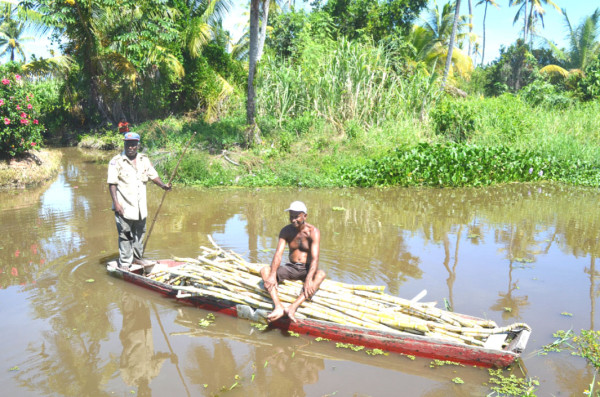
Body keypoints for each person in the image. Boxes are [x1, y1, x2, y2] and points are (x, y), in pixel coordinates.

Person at [107, 132, 171, 269]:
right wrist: (116, 204)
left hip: (140, 208)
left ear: (138, 145)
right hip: (124, 207)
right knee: (125, 235)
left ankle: (137, 258)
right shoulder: (116, 161)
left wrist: (163, 186)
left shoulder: (144, 160)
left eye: (133, 145)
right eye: (128, 144)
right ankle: (125, 263)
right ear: (124, 144)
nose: (130, 147)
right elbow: (112, 184)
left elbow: (153, 176)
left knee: (139, 235)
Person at [261, 201, 326, 323]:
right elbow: (278, 254)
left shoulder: (313, 232)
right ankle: (278, 306)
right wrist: (273, 274)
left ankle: (293, 307)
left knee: (321, 274)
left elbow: (315, 258)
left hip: (306, 269)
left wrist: (308, 279)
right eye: (291, 216)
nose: (293, 220)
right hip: (291, 267)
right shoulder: (286, 231)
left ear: (304, 216)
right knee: (265, 270)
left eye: (296, 216)